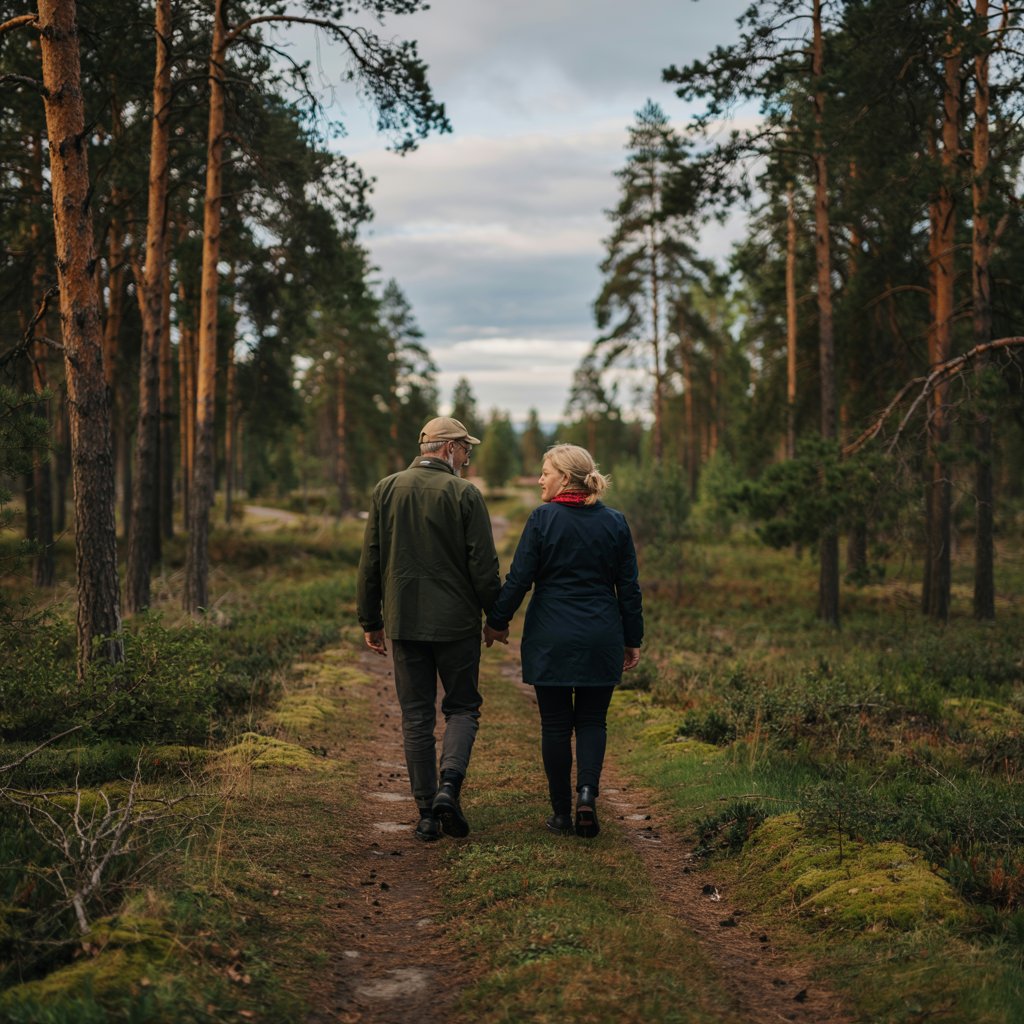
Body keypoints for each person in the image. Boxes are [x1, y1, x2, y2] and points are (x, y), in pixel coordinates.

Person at [483, 444, 643, 838]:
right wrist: (632, 638)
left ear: (566, 478)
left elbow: (520, 578)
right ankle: (586, 795)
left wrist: (497, 622)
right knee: (592, 720)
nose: (540, 479)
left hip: (550, 636)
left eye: (545, 472)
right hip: (601, 634)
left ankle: (560, 813)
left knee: (555, 725)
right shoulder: (616, 523)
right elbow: (629, 588)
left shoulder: (542, 519)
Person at [357, 416, 501, 842]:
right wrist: (496, 617)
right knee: (461, 708)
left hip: (404, 621)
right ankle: (448, 789)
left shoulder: (386, 489)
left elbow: (371, 560)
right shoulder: (464, 494)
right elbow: (484, 567)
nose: (468, 457)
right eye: (465, 449)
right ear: (448, 448)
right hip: (456, 623)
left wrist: (372, 620)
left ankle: (425, 813)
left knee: (416, 715)